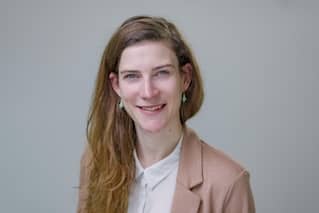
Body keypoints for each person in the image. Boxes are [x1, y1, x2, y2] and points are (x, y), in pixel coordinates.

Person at [77, 15, 255, 213]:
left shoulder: (228, 182)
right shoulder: (96, 163)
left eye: (161, 73)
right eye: (132, 76)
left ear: (185, 78)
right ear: (117, 85)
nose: (148, 92)